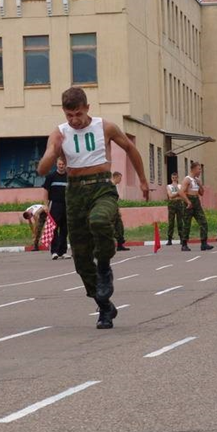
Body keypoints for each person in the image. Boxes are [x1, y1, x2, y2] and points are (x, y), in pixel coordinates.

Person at [37, 87, 148, 329]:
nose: (74, 120)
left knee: (99, 220)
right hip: (74, 192)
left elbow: (130, 148)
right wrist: (54, 148)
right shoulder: (59, 133)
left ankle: (106, 266)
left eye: (78, 114)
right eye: (69, 115)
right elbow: (42, 169)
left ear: (87, 108)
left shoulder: (104, 126)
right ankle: (104, 306)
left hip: (101, 187)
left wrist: (142, 179)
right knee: (81, 260)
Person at [178, 161, 214, 252]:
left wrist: (200, 184)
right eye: (199, 169)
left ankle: (204, 243)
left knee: (203, 222)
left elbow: (201, 193)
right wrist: (188, 201)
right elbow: (181, 192)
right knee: (187, 224)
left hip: (196, 201)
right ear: (193, 169)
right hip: (189, 201)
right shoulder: (187, 179)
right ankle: (184, 244)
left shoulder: (197, 180)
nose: (200, 171)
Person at [42, 157, 69, 259]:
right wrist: (45, 204)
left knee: (65, 229)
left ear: (65, 165)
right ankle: (54, 251)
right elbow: (45, 191)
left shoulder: (69, 176)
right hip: (55, 205)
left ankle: (63, 251)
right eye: (59, 164)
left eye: (63, 164)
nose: (61, 166)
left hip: (67, 205)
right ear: (56, 164)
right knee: (53, 228)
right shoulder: (51, 176)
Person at [111, 171, 129, 251]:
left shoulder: (114, 186)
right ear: (116, 177)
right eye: (120, 178)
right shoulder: (110, 186)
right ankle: (115, 241)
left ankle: (120, 244)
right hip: (111, 210)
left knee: (120, 226)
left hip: (115, 209)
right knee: (112, 227)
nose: (120, 180)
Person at [166, 172, 184, 245]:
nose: (174, 179)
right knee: (171, 222)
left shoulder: (180, 186)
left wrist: (177, 194)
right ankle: (169, 239)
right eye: (173, 178)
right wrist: (178, 193)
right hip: (172, 204)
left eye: (175, 178)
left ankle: (181, 238)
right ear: (171, 178)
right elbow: (170, 195)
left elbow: (182, 195)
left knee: (180, 222)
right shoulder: (169, 186)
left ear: (177, 178)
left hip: (179, 203)